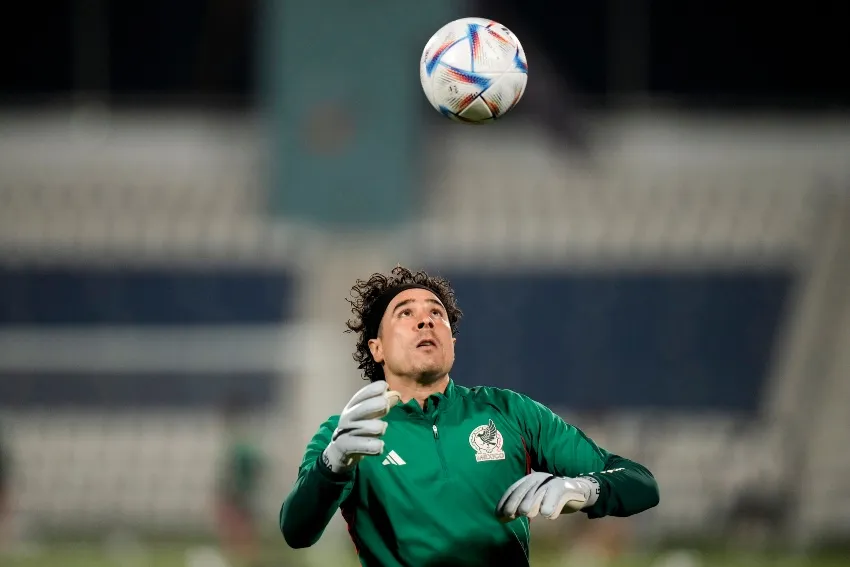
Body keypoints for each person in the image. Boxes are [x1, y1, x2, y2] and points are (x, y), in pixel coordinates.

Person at [280, 266, 659, 566]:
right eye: (405, 313)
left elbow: (640, 483)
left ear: (452, 343)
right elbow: (296, 531)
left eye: (436, 314)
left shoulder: (509, 411)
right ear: (376, 348)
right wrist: (332, 466)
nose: (425, 321)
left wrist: (584, 489)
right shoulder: (346, 433)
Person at [215, 394, 265, 567]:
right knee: (239, 527)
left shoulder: (243, 446)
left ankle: (245, 557)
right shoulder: (243, 443)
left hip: (240, 492)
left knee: (239, 527)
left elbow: (254, 468)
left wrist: (237, 489)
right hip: (241, 492)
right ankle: (242, 557)